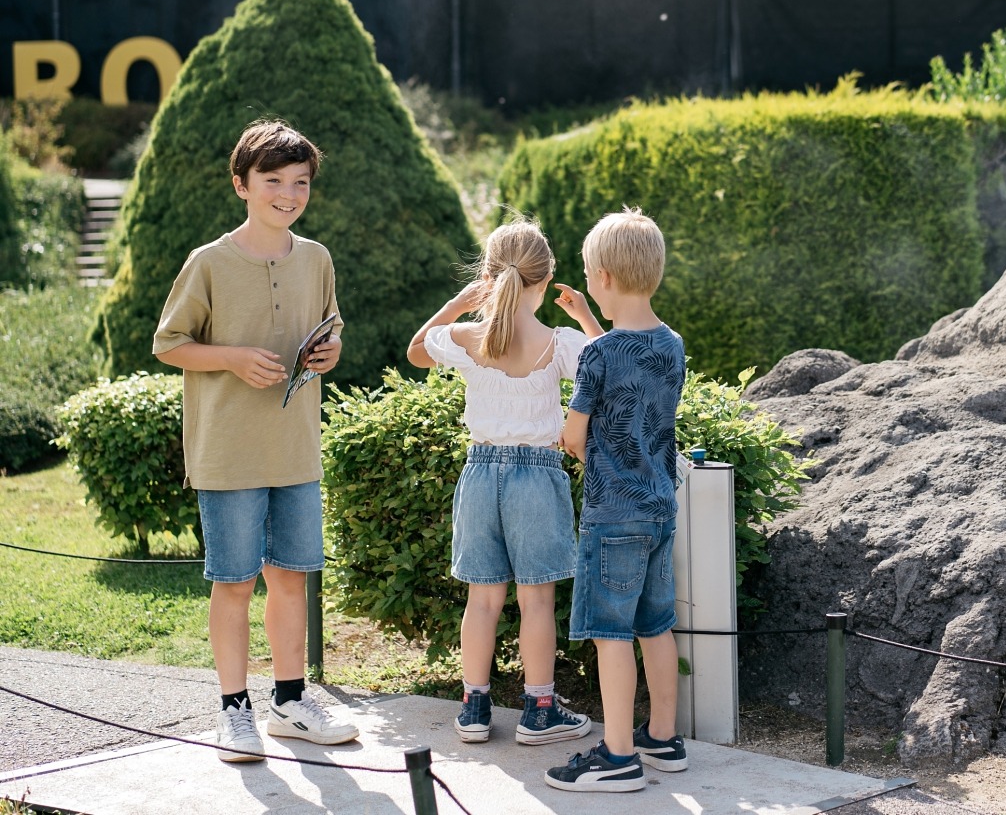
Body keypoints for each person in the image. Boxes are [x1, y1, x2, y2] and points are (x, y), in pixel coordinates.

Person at [154, 119, 358, 762]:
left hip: (295, 447)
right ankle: (233, 711)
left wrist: (328, 354)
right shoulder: (208, 262)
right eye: (273, 181)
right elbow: (169, 345)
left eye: (300, 183)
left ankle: (290, 702)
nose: (288, 194)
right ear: (241, 184)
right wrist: (234, 358)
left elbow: (331, 331)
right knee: (235, 582)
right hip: (228, 451)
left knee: (292, 579)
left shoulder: (317, 257)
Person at [406, 216, 604, 747]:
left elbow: (416, 351)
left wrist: (458, 305)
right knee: (536, 602)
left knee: (483, 599)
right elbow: (608, 365)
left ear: (489, 277)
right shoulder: (559, 342)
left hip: (480, 470)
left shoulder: (469, 337)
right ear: (545, 279)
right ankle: (539, 711)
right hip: (537, 476)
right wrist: (585, 316)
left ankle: (474, 709)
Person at [544, 206, 688, 794]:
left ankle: (618, 755)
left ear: (602, 276)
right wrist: (582, 315)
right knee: (655, 626)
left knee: (611, 634)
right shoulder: (671, 343)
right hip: (658, 508)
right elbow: (631, 365)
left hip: (613, 514)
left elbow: (573, 434)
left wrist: (574, 442)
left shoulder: (597, 356)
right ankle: (662, 739)